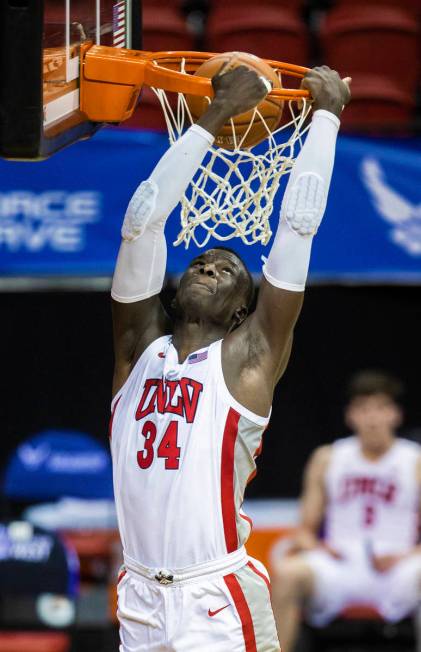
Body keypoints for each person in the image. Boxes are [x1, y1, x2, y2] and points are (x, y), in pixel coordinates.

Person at [109, 58, 350, 651]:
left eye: (228, 271)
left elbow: (296, 228)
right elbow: (142, 223)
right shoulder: (138, 349)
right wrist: (213, 115)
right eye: (201, 263)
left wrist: (325, 120)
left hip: (216, 598)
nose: (210, 266)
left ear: (245, 312)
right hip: (138, 597)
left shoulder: (248, 361)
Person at [272, 370, 421, 652]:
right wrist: (318, 547)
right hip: (340, 564)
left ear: (396, 414)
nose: (373, 418)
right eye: (364, 409)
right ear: (350, 415)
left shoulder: (414, 460)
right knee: (289, 574)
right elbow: (304, 530)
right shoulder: (328, 458)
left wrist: (406, 555)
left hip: (397, 567)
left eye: (381, 408)